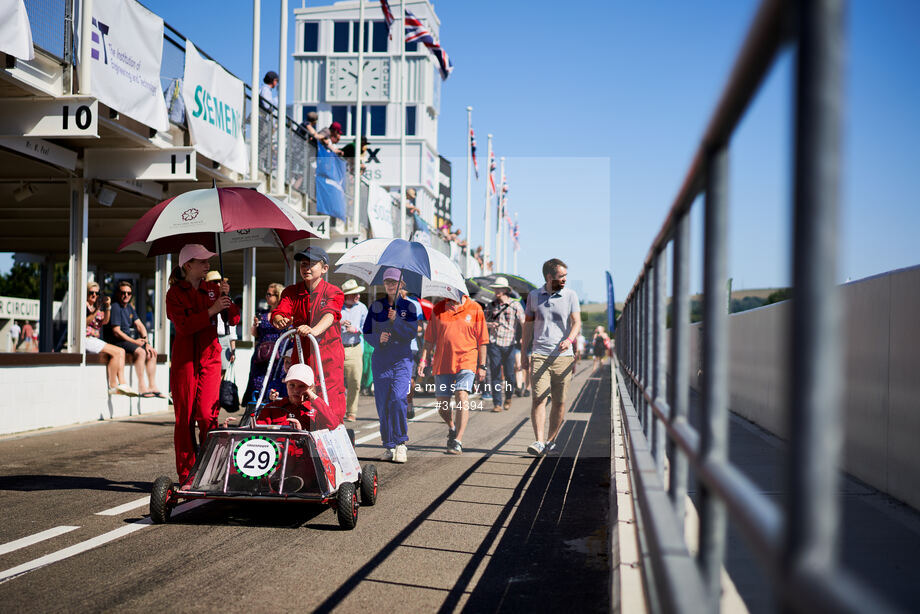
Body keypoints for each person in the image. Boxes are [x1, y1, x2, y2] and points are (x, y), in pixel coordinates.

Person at [166, 243, 240, 483]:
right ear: (188, 265)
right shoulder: (174, 293)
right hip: (185, 359)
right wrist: (212, 310)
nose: (208, 264)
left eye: (209, 260)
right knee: (184, 417)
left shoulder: (212, 288)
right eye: (202, 261)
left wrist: (227, 297)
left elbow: (235, 318)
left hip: (209, 356)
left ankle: (212, 470)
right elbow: (184, 327)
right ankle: (187, 474)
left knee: (207, 415)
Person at [271, 246, 346, 428]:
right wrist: (280, 321)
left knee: (330, 402)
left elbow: (331, 315)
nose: (307, 268)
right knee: (299, 398)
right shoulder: (291, 292)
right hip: (302, 355)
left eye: (312, 264)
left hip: (327, 356)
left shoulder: (333, 291)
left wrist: (314, 330)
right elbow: (279, 313)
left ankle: (334, 441)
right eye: (304, 264)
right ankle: (301, 439)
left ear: (324, 268)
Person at [522, 258, 582, 456]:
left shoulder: (571, 295)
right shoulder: (533, 296)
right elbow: (528, 326)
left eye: (566, 276)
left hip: (563, 356)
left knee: (559, 401)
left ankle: (551, 440)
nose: (565, 279)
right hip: (539, 354)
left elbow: (576, 323)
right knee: (539, 398)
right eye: (561, 276)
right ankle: (539, 441)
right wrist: (524, 353)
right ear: (549, 277)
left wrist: (570, 340)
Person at [418, 294, 489, 455]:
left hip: (467, 359)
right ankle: (452, 426)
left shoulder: (475, 308)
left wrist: (482, 366)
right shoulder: (438, 309)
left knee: (461, 395)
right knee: (442, 406)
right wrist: (423, 360)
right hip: (443, 362)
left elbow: (482, 340)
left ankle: (457, 440)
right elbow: (429, 339)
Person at [363, 268, 422, 463]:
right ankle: (388, 444)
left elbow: (411, 333)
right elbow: (367, 333)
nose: (390, 285)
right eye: (387, 281)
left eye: (394, 282)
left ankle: (401, 442)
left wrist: (396, 321)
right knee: (383, 403)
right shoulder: (376, 306)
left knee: (398, 398)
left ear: (401, 284)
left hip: (402, 359)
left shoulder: (410, 307)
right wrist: (378, 338)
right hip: (381, 359)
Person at [106, 280, 163, 398]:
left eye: (129, 293)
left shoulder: (130, 308)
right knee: (140, 352)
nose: (126, 295)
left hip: (127, 341)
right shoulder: (116, 307)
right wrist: (135, 342)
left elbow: (140, 325)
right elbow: (116, 331)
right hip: (117, 342)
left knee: (152, 352)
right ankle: (142, 387)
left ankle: (152, 386)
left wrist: (146, 342)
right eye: (123, 293)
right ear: (118, 293)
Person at [85, 282, 134, 396]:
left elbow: (105, 321)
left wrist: (107, 307)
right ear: (86, 293)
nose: (94, 295)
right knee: (117, 352)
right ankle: (112, 386)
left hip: (94, 339)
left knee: (121, 351)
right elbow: (84, 322)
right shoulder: (84, 306)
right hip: (86, 339)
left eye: (97, 293)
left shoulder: (94, 306)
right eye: (91, 293)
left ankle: (122, 383)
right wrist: (97, 309)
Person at [243, 282, 288, 408]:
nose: (267, 297)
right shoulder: (262, 314)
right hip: (262, 354)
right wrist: (255, 324)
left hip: (277, 354)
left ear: (278, 296)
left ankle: (272, 410)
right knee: (258, 382)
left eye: (270, 294)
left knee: (274, 382)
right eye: (267, 294)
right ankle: (257, 409)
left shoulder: (285, 315)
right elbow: (255, 334)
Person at [485, 277, 526, 412]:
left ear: (505, 290)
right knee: (495, 373)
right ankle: (497, 403)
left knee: (509, 374)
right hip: (494, 342)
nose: (496, 291)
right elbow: (483, 322)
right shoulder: (491, 305)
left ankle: (508, 397)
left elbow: (523, 323)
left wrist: (524, 338)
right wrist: (490, 324)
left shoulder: (515, 305)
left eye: (499, 288)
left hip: (509, 343)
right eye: (495, 288)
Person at [340, 279, 367, 422]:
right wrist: (340, 323)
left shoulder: (362, 308)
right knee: (337, 383)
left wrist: (356, 329)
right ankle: (337, 411)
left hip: (354, 347)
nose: (358, 296)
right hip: (338, 348)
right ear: (346, 296)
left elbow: (368, 327)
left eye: (358, 293)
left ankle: (351, 411)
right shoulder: (337, 307)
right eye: (354, 294)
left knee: (355, 381)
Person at [206, 271, 237, 377]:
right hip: (209, 338)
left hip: (224, 339)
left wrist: (233, 349)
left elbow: (232, 325)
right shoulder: (205, 299)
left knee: (223, 370)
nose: (218, 285)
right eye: (215, 282)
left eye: (220, 282)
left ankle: (218, 392)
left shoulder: (227, 299)